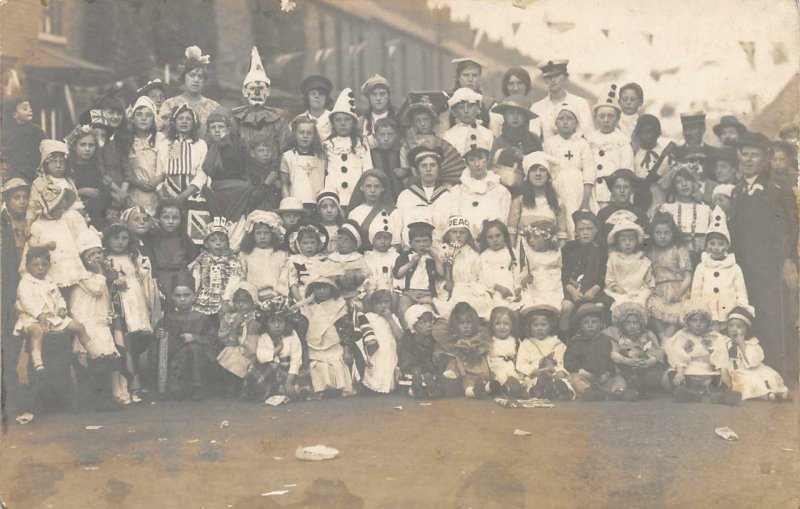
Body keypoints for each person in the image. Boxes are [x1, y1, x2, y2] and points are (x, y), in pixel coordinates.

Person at [730, 131, 799, 379]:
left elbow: (788, 227)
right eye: (745, 155)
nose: (748, 160)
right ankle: (753, 375)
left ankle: (779, 375)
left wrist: (786, 260)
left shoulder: (777, 190)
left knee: (774, 317)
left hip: (770, 266)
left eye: (754, 156)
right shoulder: (737, 191)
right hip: (744, 267)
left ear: (765, 159)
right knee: (749, 317)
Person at [69, 229, 126, 408]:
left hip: (100, 321)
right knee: (92, 357)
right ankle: (93, 399)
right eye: (90, 255)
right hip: (88, 323)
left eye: (98, 253)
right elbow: (97, 290)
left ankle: (109, 395)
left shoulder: (100, 274)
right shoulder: (82, 275)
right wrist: (100, 271)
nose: (95, 257)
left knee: (107, 358)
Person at [24, 140, 91, 288]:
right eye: (54, 162)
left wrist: (83, 216)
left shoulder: (68, 181)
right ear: (45, 164)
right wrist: (28, 224)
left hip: (70, 223)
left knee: (75, 253)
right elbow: (32, 205)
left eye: (62, 162)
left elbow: (76, 200)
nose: (58, 166)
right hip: (50, 224)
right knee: (55, 257)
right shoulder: (40, 183)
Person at [104, 222, 156, 402]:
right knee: (123, 339)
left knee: (137, 338)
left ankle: (137, 378)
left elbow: (142, 275)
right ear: (108, 240)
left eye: (124, 238)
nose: (120, 242)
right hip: (119, 301)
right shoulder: (106, 258)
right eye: (115, 238)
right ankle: (129, 383)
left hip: (136, 299)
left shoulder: (133, 255)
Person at [231, 47, 291, 198]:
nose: (257, 93)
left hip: (273, 180)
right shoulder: (235, 119)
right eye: (252, 88)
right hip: (243, 180)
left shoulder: (278, 119)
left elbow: (285, 150)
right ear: (245, 92)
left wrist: (276, 176)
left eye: (261, 88)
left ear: (268, 92)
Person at [663, 300, 740, 405]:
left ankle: (720, 396)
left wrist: (724, 373)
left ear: (708, 322)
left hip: (708, 372)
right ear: (686, 321)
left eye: (702, 321)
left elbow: (721, 353)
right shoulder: (682, 335)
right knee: (672, 376)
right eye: (694, 321)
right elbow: (676, 352)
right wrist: (680, 372)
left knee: (720, 380)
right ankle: (688, 394)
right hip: (687, 371)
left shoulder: (714, 336)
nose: (698, 324)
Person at [155, 273, 216, 401]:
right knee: (176, 392)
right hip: (177, 365)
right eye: (178, 296)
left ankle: (198, 387)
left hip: (198, 363)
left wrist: (195, 338)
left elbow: (212, 340)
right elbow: (159, 347)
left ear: (194, 295)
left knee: (193, 347)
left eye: (186, 295)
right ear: (172, 297)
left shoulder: (201, 318)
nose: (182, 299)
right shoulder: (167, 318)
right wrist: (158, 335)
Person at [156, 104, 210, 243]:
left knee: (194, 233)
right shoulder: (166, 144)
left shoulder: (200, 145)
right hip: (169, 193)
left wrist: (184, 195)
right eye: (180, 118)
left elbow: (202, 174)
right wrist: (163, 196)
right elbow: (161, 172)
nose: (184, 121)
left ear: (194, 123)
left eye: (188, 119)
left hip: (193, 194)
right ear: (174, 122)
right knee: (171, 232)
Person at [295, 277, 355, 397]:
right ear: (313, 290)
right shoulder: (308, 307)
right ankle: (320, 389)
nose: (322, 291)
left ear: (331, 288)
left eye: (325, 287)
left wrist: (347, 350)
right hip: (313, 343)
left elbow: (346, 328)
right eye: (318, 288)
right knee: (317, 364)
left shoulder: (339, 304)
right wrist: (307, 301)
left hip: (334, 341)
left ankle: (340, 387)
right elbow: (301, 328)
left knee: (337, 361)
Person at [543, 103, 596, 234]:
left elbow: (589, 171)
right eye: (561, 118)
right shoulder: (549, 144)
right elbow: (548, 171)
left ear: (576, 123)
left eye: (569, 118)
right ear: (555, 122)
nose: (565, 122)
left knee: (578, 220)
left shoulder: (582, 143)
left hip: (579, 188)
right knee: (562, 220)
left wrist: (585, 201)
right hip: (558, 187)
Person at [691, 207, 748, 329]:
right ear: (707, 246)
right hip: (707, 317)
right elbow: (696, 293)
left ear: (727, 245)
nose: (716, 248)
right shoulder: (702, 267)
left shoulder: (734, 268)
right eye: (712, 243)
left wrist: (738, 315)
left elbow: (741, 294)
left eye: (721, 244)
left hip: (728, 316)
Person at [564, 303, 632, 401]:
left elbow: (611, 359)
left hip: (604, 378)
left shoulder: (606, 340)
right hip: (585, 377)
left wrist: (607, 373)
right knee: (574, 379)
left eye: (594, 322)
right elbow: (569, 362)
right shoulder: (576, 342)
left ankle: (618, 392)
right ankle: (588, 392)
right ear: (579, 325)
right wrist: (583, 372)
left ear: (601, 324)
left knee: (618, 379)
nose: (590, 326)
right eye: (586, 323)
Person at [560, 211, 612, 334]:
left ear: (596, 230)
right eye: (581, 229)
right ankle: (565, 339)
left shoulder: (601, 249)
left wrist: (595, 288)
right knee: (566, 307)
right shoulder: (569, 247)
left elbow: (604, 274)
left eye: (589, 229)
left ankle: (599, 338)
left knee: (599, 307)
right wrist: (572, 291)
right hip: (572, 289)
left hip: (594, 290)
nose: (585, 232)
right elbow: (564, 273)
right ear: (576, 232)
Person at [449, 137, 510, 240]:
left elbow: (503, 224)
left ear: (487, 159)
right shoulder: (456, 192)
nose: (477, 164)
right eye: (472, 160)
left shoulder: (501, 191)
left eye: (481, 158)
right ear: (466, 163)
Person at [584, 86, 635, 208]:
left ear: (617, 118)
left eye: (610, 116)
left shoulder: (623, 142)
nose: (606, 120)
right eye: (602, 116)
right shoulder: (588, 140)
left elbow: (627, 172)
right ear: (595, 118)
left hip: (613, 197)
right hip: (592, 194)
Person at [646, 211, 693, 342]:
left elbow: (688, 276)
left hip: (678, 289)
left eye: (667, 233)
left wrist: (679, 292)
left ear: (673, 233)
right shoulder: (651, 250)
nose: (662, 237)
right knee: (652, 307)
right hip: (658, 289)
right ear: (653, 234)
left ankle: (666, 341)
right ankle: (663, 338)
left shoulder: (679, 249)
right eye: (658, 233)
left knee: (677, 315)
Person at [726, 306, 788, 401]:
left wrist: (742, 344)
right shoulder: (726, 343)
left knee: (769, 375)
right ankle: (766, 395)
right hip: (737, 371)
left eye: (739, 326)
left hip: (753, 368)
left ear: (746, 330)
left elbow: (752, 363)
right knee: (749, 379)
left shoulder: (751, 344)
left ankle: (775, 391)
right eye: (731, 326)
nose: (734, 330)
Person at [432, 301, 493, 399]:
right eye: (461, 323)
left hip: (475, 364)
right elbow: (446, 351)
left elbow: (483, 349)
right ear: (455, 324)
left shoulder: (479, 335)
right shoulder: (451, 337)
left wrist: (473, 348)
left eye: (468, 322)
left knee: (480, 378)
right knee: (457, 375)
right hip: (461, 369)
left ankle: (486, 388)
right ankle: (472, 391)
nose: (465, 326)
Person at [395, 146, 454, 246]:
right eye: (423, 166)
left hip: (439, 250)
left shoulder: (447, 197)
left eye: (433, 165)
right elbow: (398, 225)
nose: (428, 169)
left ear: (438, 169)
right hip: (411, 251)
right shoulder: (406, 196)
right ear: (417, 170)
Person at [434, 216, 492, 319]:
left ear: (468, 235)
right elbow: (439, 278)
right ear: (448, 234)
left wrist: (477, 289)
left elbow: (480, 276)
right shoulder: (443, 252)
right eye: (454, 232)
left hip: (471, 290)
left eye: (462, 232)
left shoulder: (473, 254)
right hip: (451, 292)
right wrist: (445, 286)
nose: (458, 236)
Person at [324, 88, 373, 207]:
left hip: (355, 196)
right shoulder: (327, 145)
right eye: (338, 120)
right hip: (334, 198)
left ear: (353, 123)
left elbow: (368, 171)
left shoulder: (361, 144)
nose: (342, 123)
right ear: (333, 124)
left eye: (347, 120)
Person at [202, 107, 252, 223]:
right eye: (213, 128)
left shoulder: (236, 147)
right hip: (212, 185)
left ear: (228, 130)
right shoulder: (205, 147)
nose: (217, 130)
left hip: (233, 185)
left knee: (246, 187)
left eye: (221, 127)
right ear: (208, 131)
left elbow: (242, 169)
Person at [159, 46, 221, 137]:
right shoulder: (169, 105)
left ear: (204, 81)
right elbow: (162, 135)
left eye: (200, 76)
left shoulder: (214, 107)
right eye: (192, 75)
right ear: (184, 77)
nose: (196, 80)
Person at [606, 302, 665, 399]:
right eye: (628, 323)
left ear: (641, 323)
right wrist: (626, 360)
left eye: (635, 322)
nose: (632, 326)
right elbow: (614, 353)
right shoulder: (618, 336)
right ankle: (633, 387)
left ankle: (647, 388)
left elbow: (657, 352)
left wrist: (650, 361)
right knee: (625, 375)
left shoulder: (647, 334)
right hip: (627, 366)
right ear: (621, 324)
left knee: (652, 375)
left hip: (645, 365)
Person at [394, 220, 445, 327]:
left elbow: (441, 274)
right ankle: (407, 332)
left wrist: (435, 257)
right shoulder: (406, 256)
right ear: (411, 243)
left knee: (427, 314)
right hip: (409, 292)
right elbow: (398, 273)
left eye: (425, 241)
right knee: (403, 310)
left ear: (431, 242)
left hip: (426, 293)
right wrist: (412, 263)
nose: (422, 244)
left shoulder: (431, 258)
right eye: (417, 241)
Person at [508, 152, 567, 244]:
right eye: (533, 170)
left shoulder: (557, 203)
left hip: (549, 255)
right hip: (524, 252)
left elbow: (562, 236)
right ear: (528, 175)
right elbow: (511, 233)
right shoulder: (519, 201)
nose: (538, 174)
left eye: (542, 170)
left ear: (548, 175)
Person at [655, 163, 712, 260]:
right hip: (673, 259)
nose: (684, 184)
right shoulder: (666, 209)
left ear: (693, 183)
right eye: (679, 182)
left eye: (687, 180)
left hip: (700, 259)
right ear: (674, 187)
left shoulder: (705, 210)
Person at [188, 218, 243, 318]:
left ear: (227, 243)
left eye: (222, 240)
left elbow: (234, 280)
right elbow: (196, 278)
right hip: (204, 298)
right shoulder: (202, 259)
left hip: (224, 298)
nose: (218, 243)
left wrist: (227, 299)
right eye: (213, 240)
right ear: (206, 244)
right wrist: (192, 294)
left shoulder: (232, 260)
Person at [515, 305, 573, 399]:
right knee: (530, 382)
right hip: (535, 374)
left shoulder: (557, 343)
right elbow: (521, 363)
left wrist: (561, 371)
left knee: (562, 381)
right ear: (529, 326)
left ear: (550, 326)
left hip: (554, 373)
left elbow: (562, 362)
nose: (539, 328)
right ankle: (536, 391)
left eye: (543, 324)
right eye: (535, 325)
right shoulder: (526, 343)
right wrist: (532, 371)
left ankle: (560, 390)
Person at [149, 199, 198, 310]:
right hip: (159, 278)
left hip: (180, 279)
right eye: (166, 217)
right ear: (158, 218)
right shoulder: (153, 237)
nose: (170, 221)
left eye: (175, 218)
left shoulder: (184, 238)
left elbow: (192, 257)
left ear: (181, 219)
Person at [216, 281, 262, 397]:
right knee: (228, 354)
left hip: (255, 348)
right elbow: (228, 342)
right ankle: (233, 385)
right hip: (237, 346)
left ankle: (249, 385)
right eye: (237, 302)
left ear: (253, 302)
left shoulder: (258, 317)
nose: (241, 305)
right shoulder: (229, 318)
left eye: (245, 301)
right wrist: (235, 327)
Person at [530, 60, 592, 140]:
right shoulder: (536, 108)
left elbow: (589, 135)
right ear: (545, 80)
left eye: (557, 76)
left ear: (565, 77)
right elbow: (534, 139)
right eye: (549, 77)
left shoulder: (580, 103)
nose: (553, 80)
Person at [65, 124, 111, 230]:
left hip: (96, 216)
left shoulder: (96, 167)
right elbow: (63, 192)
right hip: (74, 215)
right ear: (74, 146)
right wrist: (83, 191)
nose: (87, 149)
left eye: (91, 145)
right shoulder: (68, 167)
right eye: (83, 145)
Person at [126, 96, 166, 216]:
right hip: (134, 189)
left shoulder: (161, 138)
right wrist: (136, 181)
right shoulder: (127, 140)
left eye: (148, 115)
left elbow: (168, 164)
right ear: (133, 118)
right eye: (139, 114)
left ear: (153, 118)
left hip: (158, 189)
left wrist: (158, 179)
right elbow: (123, 166)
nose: (143, 118)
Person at [397, 304, 448, 399]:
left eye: (430, 321)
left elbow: (434, 351)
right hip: (414, 367)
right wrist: (417, 368)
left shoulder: (431, 337)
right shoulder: (408, 338)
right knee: (416, 375)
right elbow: (406, 358)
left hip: (428, 367)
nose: (429, 325)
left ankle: (432, 389)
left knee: (435, 375)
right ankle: (416, 389)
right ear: (414, 325)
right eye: (424, 323)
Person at [357, 289, 402, 394]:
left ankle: (387, 387)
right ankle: (372, 388)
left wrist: (390, 319)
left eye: (386, 302)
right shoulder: (368, 317)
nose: (383, 306)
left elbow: (400, 336)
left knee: (388, 366)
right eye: (379, 303)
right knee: (376, 368)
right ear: (372, 305)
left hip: (389, 350)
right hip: (375, 351)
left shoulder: (393, 317)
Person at [238, 210, 288, 301]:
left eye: (266, 233)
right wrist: (249, 294)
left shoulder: (281, 254)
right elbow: (241, 277)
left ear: (272, 234)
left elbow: (284, 278)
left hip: (275, 297)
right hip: (252, 298)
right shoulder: (245, 254)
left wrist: (275, 293)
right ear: (252, 235)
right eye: (258, 233)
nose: (262, 237)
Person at [605, 219, 653, 309]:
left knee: (640, 304)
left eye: (631, 239)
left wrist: (644, 291)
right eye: (623, 240)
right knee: (619, 305)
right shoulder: (613, 258)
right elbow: (609, 279)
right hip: (619, 292)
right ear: (617, 242)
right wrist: (616, 288)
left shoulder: (643, 260)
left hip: (639, 292)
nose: (627, 243)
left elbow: (649, 282)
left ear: (637, 241)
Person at [347, 169, 401, 249]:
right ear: (361, 187)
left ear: (383, 188)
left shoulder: (393, 212)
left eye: (377, 186)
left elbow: (396, 245)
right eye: (368, 186)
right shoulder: (354, 213)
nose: (372, 190)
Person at [518, 220, 564, 312]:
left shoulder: (556, 252)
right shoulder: (529, 254)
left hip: (553, 284)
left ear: (547, 238)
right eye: (530, 237)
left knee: (554, 304)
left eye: (535, 237)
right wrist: (525, 280)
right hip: (536, 285)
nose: (531, 240)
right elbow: (524, 271)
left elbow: (561, 268)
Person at [280, 115, 326, 208]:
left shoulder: (321, 157)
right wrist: (288, 205)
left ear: (314, 136)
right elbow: (284, 184)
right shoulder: (288, 156)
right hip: (296, 205)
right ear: (294, 135)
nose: (305, 136)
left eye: (309, 133)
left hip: (317, 204)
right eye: (301, 132)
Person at [2, 97, 46, 182]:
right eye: (25, 108)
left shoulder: (37, 130)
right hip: (15, 170)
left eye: (30, 108)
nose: (30, 110)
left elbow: (45, 147)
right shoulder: (9, 132)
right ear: (15, 115)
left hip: (33, 169)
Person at [479, 220, 520, 309]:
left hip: (510, 285)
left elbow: (517, 271)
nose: (495, 240)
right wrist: (499, 288)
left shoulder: (511, 252)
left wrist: (517, 288)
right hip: (494, 288)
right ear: (485, 239)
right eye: (490, 237)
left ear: (504, 235)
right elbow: (485, 276)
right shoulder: (484, 255)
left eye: (498, 236)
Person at [443, 87, 496, 157]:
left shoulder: (487, 134)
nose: (466, 111)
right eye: (461, 107)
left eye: (470, 106)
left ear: (478, 108)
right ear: (455, 112)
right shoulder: (449, 136)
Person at [447, 57, 496, 131]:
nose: (470, 79)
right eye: (466, 75)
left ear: (479, 78)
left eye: (474, 75)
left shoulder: (487, 104)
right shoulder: (448, 102)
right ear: (458, 77)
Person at [285, 222, 331, 301]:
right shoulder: (295, 261)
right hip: (301, 295)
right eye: (305, 243)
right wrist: (300, 300)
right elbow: (293, 283)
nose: (309, 246)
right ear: (298, 245)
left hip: (320, 295)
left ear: (318, 243)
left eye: (312, 242)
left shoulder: (322, 259)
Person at [486, 307, 526, 398]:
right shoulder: (490, 341)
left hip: (511, 367)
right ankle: (507, 389)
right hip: (496, 368)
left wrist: (520, 371)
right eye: (498, 323)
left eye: (506, 324)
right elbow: (487, 359)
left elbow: (521, 358)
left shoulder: (515, 340)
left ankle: (516, 388)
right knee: (501, 376)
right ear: (492, 325)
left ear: (512, 325)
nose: (502, 327)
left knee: (516, 377)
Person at [491, 95, 542, 160]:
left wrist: (523, 157)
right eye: (511, 113)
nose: (515, 117)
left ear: (525, 117)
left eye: (519, 113)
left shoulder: (534, 139)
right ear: (505, 116)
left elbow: (541, 162)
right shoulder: (499, 142)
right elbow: (492, 166)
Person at [369, 118, 405, 201]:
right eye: (382, 135)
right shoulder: (371, 154)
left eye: (390, 134)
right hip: (377, 193)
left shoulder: (399, 152)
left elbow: (408, 168)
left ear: (396, 135)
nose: (386, 138)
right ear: (375, 136)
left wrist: (405, 172)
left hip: (397, 192)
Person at [673, 111, 717, 180]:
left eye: (693, 128)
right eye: (685, 129)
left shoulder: (714, 153)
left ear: (703, 129)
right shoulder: (675, 154)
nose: (689, 133)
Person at [359, 74, 398, 148]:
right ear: (368, 97)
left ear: (389, 96)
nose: (378, 98)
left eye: (382, 94)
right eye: (374, 94)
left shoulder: (398, 118)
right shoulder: (362, 122)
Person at [298, 74, 333, 141]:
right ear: (307, 98)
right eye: (313, 94)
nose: (317, 96)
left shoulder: (333, 119)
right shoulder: (298, 120)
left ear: (326, 98)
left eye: (321, 94)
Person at [316, 188, 345, 254]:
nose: (329, 210)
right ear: (319, 210)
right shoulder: (315, 229)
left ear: (338, 208)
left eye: (333, 206)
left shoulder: (343, 228)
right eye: (324, 207)